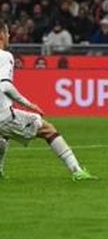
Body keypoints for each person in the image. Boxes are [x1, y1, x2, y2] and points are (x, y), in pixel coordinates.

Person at [0, 19, 95, 181]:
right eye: (8, 33)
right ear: (1, 34)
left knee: (3, 137)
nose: (9, 36)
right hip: (3, 115)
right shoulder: (5, 56)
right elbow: (5, 86)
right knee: (48, 129)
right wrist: (29, 104)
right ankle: (77, 170)